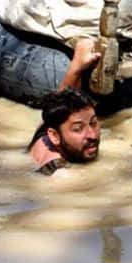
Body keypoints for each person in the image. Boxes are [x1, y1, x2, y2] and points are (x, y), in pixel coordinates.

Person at [27, 39, 102, 175]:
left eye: (94, 122)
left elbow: (61, 102)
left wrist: (76, 67)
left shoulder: (48, 132)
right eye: (78, 129)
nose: (92, 135)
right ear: (54, 136)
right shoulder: (59, 173)